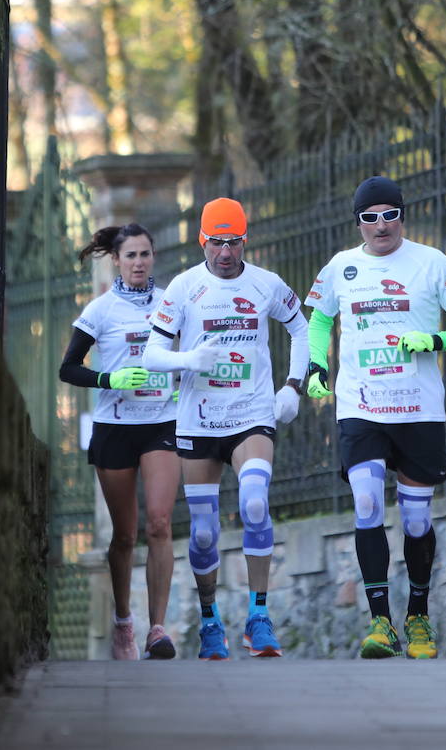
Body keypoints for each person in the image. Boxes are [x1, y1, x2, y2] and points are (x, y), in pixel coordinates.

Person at [304, 176, 446, 659]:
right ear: (358, 222)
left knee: (416, 519)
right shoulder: (341, 268)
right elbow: (319, 321)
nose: (380, 225)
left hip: (418, 408)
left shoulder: (431, 262)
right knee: (366, 504)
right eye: (369, 217)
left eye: (389, 214)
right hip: (360, 406)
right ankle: (380, 622)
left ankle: (418, 617)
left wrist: (437, 340)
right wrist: (316, 365)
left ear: (403, 215)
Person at [142, 198, 308, 659]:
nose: (225, 252)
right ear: (202, 241)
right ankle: (211, 621)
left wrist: (293, 386)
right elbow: (151, 355)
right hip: (199, 418)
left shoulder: (266, 285)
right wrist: (188, 359)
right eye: (216, 242)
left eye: (233, 242)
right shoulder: (183, 288)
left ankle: (259, 616)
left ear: (244, 240)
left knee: (255, 502)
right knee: (202, 532)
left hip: (251, 411)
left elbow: (302, 328)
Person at [59, 223, 181, 660]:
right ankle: (125, 624)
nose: (138, 263)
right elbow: (68, 368)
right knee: (126, 535)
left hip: (162, 422)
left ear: (153, 258)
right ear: (116, 259)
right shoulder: (101, 310)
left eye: (145, 254)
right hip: (115, 426)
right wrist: (108, 377)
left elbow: (190, 348)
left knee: (160, 524)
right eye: (130, 256)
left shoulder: (171, 301)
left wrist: (182, 378)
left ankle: (158, 630)